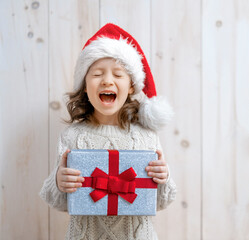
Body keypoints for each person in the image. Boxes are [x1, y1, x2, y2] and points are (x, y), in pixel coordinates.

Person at [39, 23, 177, 240]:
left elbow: (161, 201)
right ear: (85, 85)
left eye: (118, 74)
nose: (107, 80)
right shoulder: (72, 136)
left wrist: (163, 177)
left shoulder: (147, 136)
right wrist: (59, 181)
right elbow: (57, 201)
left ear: (131, 85)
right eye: (97, 73)